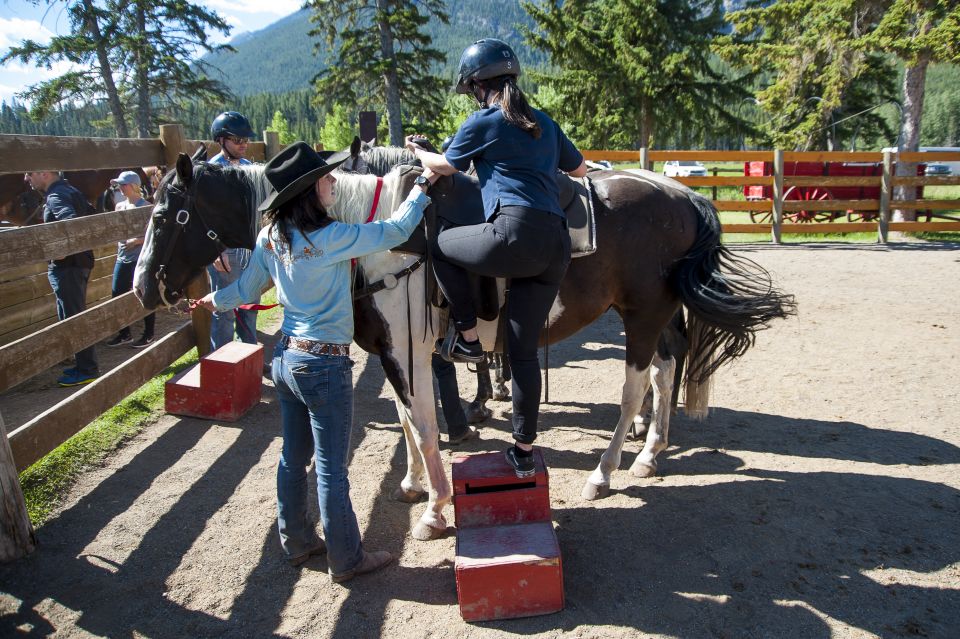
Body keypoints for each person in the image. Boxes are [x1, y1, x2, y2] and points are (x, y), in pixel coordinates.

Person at [196, 142, 438, 582]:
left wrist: (212, 300)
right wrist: (423, 183)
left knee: (292, 457)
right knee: (331, 469)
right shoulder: (333, 237)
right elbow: (397, 230)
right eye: (325, 179)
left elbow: (244, 293)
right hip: (325, 364)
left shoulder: (269, 237)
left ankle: (297, 539)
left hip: (286, 358)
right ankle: (346, 558)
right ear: (308, 192)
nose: (332, 182)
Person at [405, 38, 588, 478]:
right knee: (523, 354)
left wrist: (417, 151)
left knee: (440, 245)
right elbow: (579, 171)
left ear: (476, 86)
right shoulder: (543, 121)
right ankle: (523, 451)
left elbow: (444, 166)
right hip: (555, 246)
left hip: (512, 234)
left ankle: (467, 333)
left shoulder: (484, 121)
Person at [25, 170, 101, 386]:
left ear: (45, 173)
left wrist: (62, 251)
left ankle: (88, 369)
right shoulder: (70, 190)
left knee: (74, 318)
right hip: (78, 264)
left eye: (30, 173)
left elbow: (73, 222)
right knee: (72, 316)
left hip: (68, 267)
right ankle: (82, 364)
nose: (26, 178)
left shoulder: (57, 196)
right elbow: (91, 214)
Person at [207, 111, 260, 351]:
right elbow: (207, 215)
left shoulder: (250, 168)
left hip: (250, 247)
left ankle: (250, 355)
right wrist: (216, 249)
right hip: (226, 249)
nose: (243, 145)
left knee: (250, 304)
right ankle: (222, 360)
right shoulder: (211, 172)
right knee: (224, 308)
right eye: (238, 140)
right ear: (221, 140)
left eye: (246, 140)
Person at [105, 171, 155, 348]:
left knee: (144, 293)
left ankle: (149, 334)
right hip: (122, 256)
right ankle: (124, 333)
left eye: (123, 184)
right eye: (119, 185)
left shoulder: (146, 207)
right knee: (117, 294)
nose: (120, 188)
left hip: (139, 258)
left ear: (133, 185)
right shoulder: (119, 206)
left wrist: (137, 241)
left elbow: (153, 234)